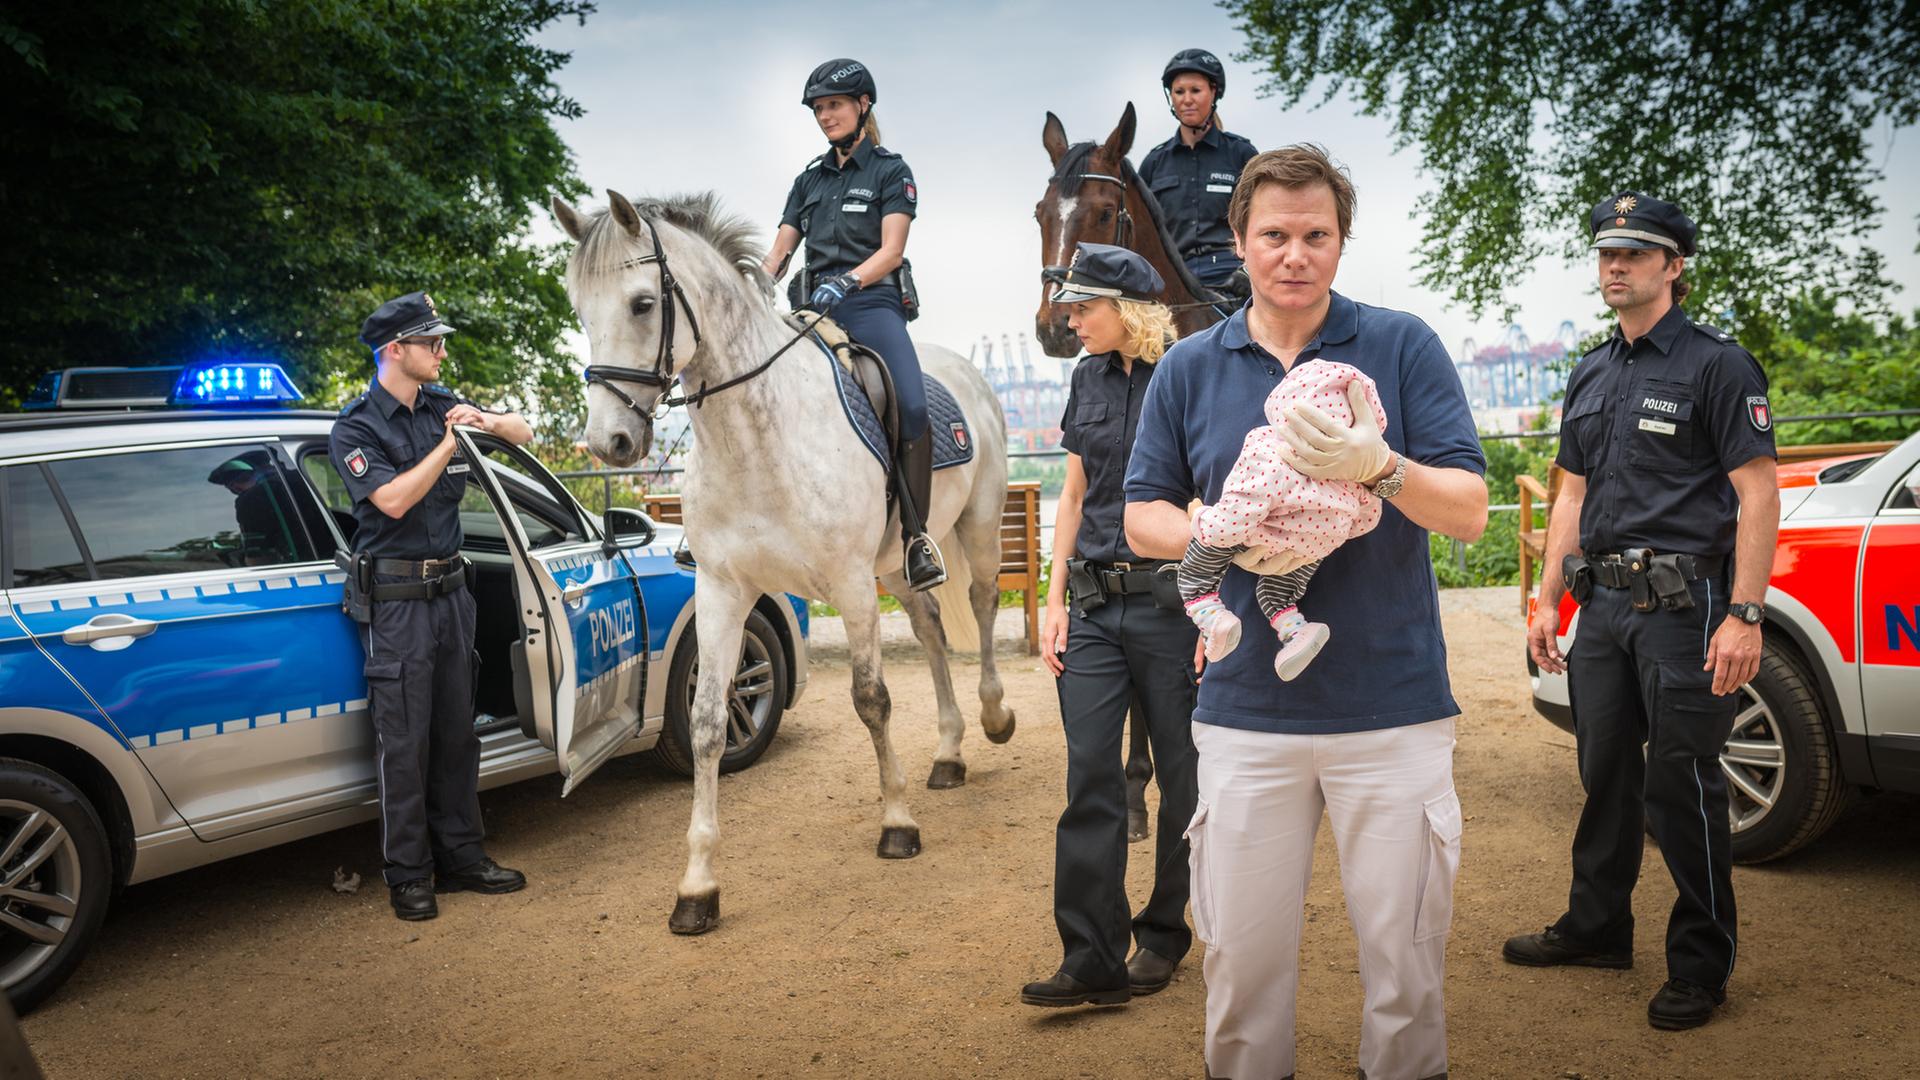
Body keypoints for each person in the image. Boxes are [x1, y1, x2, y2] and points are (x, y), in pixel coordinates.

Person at [1123, 145, 1488, 1080]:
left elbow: (1468, 510)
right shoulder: (1190, 367)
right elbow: (1140, 516)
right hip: (1246, 711)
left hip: (1393, 708)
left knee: (1406, 972)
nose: (1296, 254)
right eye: (1274, 235)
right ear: (1238, 242)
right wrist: (1214, 523)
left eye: (1315, 235)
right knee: (1240, 971)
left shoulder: (1400, 347)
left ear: (1341, 241)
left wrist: (1379, 467)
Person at [1508, 191, 1778, 1031]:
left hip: (1685, 605)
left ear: (1674, 265)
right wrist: (1547, 598)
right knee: (1606, 776)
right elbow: (1571, 496)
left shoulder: (1716, 365)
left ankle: (1701, 965)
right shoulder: (1592, 371)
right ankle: (1597, 927)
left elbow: (1756, 492)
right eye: (1606, 254)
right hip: (1604, 607)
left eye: (1635, 252)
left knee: (1682, 783)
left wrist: (1746, 613)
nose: (1615, 265)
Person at [1020, 242, 1200, 1008]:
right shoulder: (1085, 377)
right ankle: (1090, 956)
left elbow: (1214, 499)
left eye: (1082, 306)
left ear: (1126, 310)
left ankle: (1162, 934)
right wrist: (1052, 599)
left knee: (1185, 784)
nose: (1071, 318)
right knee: (1090, 773)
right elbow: (1072, 496)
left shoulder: (1190, 376)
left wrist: (1210, 607)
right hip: (1093, 607)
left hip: (1171, 607)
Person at [329, 290, 534, 922]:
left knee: (456, 736)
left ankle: (464, 857)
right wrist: (450, 446)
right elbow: (391, 500)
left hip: (452, 594)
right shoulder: (357, 425)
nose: (442, 352)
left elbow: (523, 434)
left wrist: (487, 423)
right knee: (404, 745)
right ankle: (409, 875)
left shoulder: (442, 405)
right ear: (396, 350)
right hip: (397, 604)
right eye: (431, 342)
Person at [760, 58, 944, 591]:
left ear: (863, 106)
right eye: (819, 109)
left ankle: (916, 538)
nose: (825, 116)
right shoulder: (807, 181)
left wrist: (849, 282)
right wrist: (756, 281)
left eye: (834, 105)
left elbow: (891, 251)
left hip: (870, 305)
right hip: (811, 309)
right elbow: (779, 253)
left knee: (910, 404)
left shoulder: (891, 171)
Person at [1178, 359, 1387, 680]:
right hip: (1316, 544)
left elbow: (1240, 507)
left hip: (1267, 532)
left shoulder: (1270, 449)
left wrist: (1203, 519)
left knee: (1198, 568)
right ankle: (1295, 630)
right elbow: (1368, 518)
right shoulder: (1352, 465)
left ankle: (1212, 614)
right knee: (1276, 594)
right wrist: (1329, 534)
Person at [1137, 49, 1258, 302]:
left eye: (1195, 90)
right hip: (1172, 280)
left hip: (1230, 276)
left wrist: (1247, 272)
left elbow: (1267, 219)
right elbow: (1139, 233)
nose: (1187, 99)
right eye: (1179, 92)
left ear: (1213, 92)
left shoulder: (1241, 154)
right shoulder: (1154, 163)